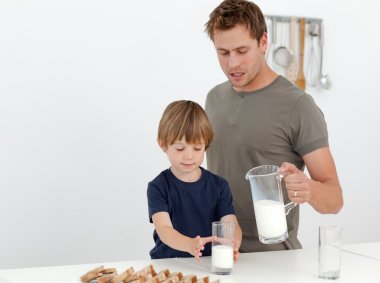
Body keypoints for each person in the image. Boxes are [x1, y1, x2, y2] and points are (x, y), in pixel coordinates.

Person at [204, 0, 343, 252]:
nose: (232, 64)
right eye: (223, 53)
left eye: (242, 51)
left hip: (274, 259)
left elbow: (334, 199)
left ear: (263, 42)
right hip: (218, 252)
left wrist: (308, 188)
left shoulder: (298, 105)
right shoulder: (213, 99)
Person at [147, 100, 242, 260]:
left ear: (206, 145)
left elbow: (230, 224)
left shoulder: (219, 186)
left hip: (209, 264)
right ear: (163, 145)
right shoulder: (158, 187)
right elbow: (164, 229)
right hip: (169, 265)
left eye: (197, 148)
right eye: (180, 148)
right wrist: (190, 245)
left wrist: (233, 242)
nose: (189, 156)